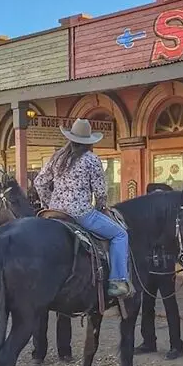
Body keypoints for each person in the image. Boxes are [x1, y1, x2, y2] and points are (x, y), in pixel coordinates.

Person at [34, 118, 130, 298]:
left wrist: (48, 203)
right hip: (80, 214)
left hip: (55, 213)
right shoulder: (91, 159)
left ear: (70, 138)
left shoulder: (57, 157)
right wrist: (101, 205)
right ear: (89, 142)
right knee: (120, 234)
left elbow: (39, 183)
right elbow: (100, 191)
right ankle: (118, 281)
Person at [135, 182, 183, 360]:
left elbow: (175, 242)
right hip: (147, 267)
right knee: (147, 305)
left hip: (165, 267)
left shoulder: (171, 218)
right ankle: (148, 341)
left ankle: (176, 345)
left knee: (170, 306)